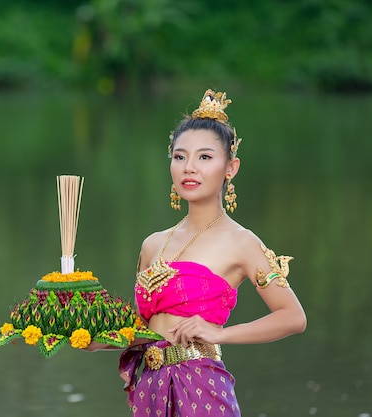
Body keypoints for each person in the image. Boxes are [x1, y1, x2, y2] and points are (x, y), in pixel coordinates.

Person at [114, 88, 307, 416]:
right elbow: (139, 331)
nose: (189, 167)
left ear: (230, 168)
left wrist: (220, 333)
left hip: (200, 387)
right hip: (152, 388)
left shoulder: (242, 242)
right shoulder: (153, 243)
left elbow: (293, 318)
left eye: (204, 157)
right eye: (179, 156)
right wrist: (89, 336)